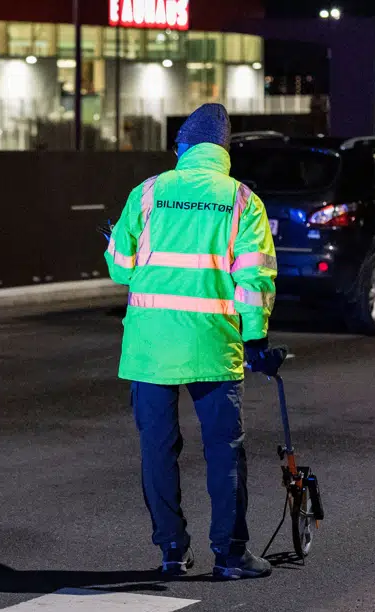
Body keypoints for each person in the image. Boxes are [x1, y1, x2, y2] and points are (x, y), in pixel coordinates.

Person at [102, 103, 282, 580]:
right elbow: (254, 279)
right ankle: (230, 554)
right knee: (225, 450)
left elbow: (120, 266)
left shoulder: (148, 193)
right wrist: (256, 338)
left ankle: (171, 553)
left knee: (157, 450)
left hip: (150, 350)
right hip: (214, 347)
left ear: (182, 147)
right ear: (223, 152)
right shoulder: (243, 201)